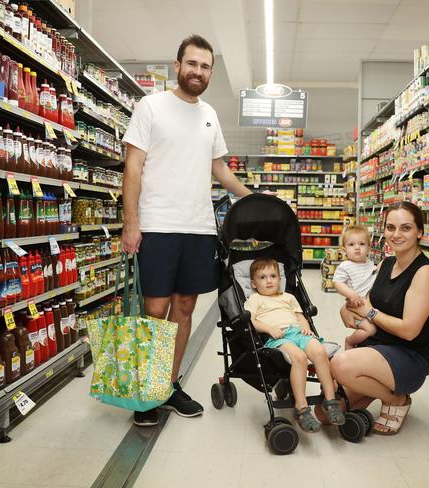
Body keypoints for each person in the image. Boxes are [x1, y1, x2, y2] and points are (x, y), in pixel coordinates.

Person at [121, 34, 252, 427]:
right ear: (177, 66)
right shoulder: (151, 106)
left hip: (198, 228)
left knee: (185, 308)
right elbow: (133, 167)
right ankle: (146, 390)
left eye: (205, 66)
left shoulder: (209, 114)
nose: (198, 71)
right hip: (157, 225)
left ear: (211, 72)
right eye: (192, 64)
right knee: (155, 310)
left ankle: (169, 385)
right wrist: (131, 222)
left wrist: (256, 199)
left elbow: (220, 169)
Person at [316, 201, 429, 435]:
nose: (396, 235)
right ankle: (373, 385)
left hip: (407, 357)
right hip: (375, 350)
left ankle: (396, 400)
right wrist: (348, 310)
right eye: (390, 228)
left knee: (341, 364)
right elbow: (365, 302)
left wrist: (369, 313)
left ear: (420, 232)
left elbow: (409, 331)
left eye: (405, 228)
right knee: (324, 414)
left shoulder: (426, 273)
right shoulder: (387, 263)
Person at [244, 258, 345, 432]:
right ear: (253, 283)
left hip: (298, 333)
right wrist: (269, 328)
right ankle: (301, 407)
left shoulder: (288, 297)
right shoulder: (255, 299)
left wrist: (306, 328)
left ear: (280, 278)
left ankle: (331, 401)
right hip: (279, 337)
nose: (269, 280)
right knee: (299, 357)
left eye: (273, 276)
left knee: (320, 352)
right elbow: (251, 321)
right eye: (263, 277)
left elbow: (300, 317)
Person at [332, 225, 377, 350]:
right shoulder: (345, 266)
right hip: (356, 307)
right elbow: (337, 283)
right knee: (370, 329)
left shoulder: (371, 264)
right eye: (351, 245)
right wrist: (351, 294)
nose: (357, 248)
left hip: (369, 307)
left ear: (369, 247)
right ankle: (350, 342)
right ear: (344, 249)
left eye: (362, 244)